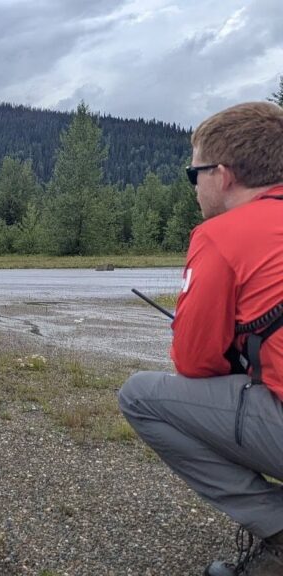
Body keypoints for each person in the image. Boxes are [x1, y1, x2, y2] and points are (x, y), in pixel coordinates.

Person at [119, 102, 283, 576]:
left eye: (195, 175)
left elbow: (194, 363)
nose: (194, 188)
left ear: (224, 175)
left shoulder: (222, 234)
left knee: (140, 396)